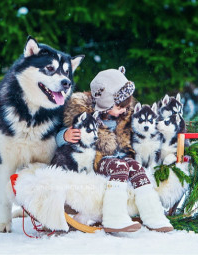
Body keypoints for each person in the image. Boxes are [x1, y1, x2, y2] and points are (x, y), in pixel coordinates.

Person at [56, 66, 173, 233]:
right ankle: (114, 216)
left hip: (121, 158)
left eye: (126, 106)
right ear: (106, 102)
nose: (125, 110)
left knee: (135, 166)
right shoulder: (82, 114)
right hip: (95, 160)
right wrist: (65, 136)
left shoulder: (126, 115)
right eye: (120, 107)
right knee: (120, 166)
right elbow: (59, 138)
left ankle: (152, 214)